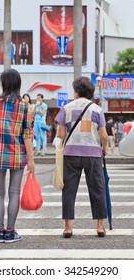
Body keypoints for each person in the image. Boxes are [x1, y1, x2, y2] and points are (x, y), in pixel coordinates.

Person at [0, 69, 35, 243]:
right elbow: (27, 134)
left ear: (3, 84)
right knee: (14, 193)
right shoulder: (25, 105)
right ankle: (11, 232)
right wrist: (31, 159)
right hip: (17, 155)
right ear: (18, 85)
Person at [55, 76, 108, 238]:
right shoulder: (97, 110)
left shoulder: (67, 108)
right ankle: (99, 226)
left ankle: (68, 227)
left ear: (77, 91)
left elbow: (61, 133)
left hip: (71, 153)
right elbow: (104, 135)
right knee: (97, 188)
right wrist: (104, 149)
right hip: (93, 154)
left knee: (69, 190)